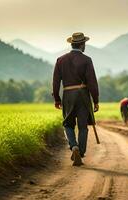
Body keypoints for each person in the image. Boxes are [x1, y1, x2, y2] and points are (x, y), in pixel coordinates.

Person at [52, 32, 99, 166]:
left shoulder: (60, 60)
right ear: (82, 44)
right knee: (83, 126)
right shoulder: (87, 60)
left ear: (72, 43)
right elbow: (92, 82)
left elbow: (56, 82)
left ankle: (74, 147)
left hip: (68, 95)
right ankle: (81, 152)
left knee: (68, 124)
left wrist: (57, 98)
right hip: (83, 95)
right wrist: (95, 100)